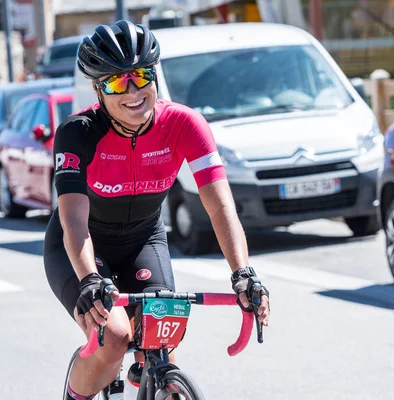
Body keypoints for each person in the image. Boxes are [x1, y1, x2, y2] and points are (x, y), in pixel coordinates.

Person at [43, 20, 271, 400]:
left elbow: (220, 207)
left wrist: (243, 274)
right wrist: (88, 279)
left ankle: (155, 381)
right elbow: (74, 219)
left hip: (143, 238)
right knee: (113, 337)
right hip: (82, 246)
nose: (133, 91)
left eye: (141, 76)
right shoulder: (78, 132)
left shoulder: (184, 124)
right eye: (117, 83)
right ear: (99, 90)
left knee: (164, 333)